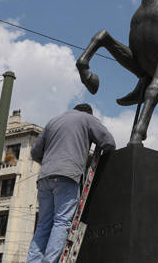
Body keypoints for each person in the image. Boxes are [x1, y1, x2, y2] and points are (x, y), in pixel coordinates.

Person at [26, 103, 115, 263]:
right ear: (88, 113)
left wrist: (49, 162)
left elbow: (35, 153)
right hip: (67, 176)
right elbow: (108, 142)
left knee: (44, 223)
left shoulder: (52, 121)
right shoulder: (87, 118)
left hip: (45, 178)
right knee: (62, 221)